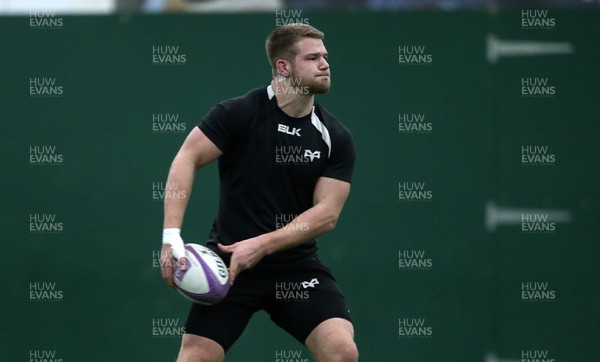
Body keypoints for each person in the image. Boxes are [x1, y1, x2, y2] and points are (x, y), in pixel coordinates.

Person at [160, 23, 358, 362]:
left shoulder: (334, 137)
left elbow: (327, 214)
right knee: (195, 357)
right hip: (230, 265)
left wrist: (262, 244)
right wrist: (171, 236)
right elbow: (187, 157)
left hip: (296, 269)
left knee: (342, 351)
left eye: (325, 56)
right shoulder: (239, 113)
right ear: (284, 67)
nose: (325, 64)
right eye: (313, 58)